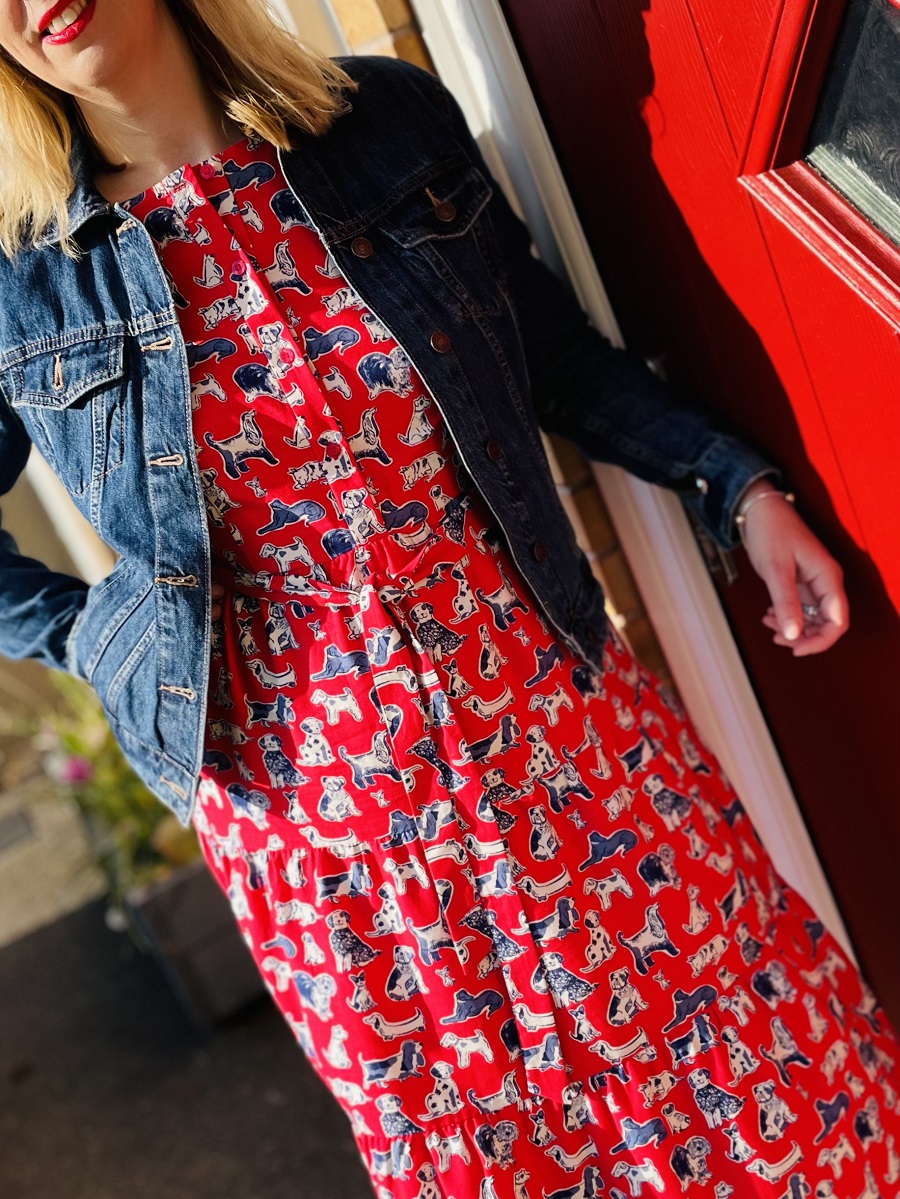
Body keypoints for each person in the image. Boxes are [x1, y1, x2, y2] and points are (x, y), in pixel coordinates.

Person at [0, 2, 894, 1197]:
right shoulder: (22, 282)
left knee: (775, 1088)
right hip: (335, 851)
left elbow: (553, 357)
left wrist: (730, 483)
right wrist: (98, 638)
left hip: (569, 756)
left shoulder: (379, 127)